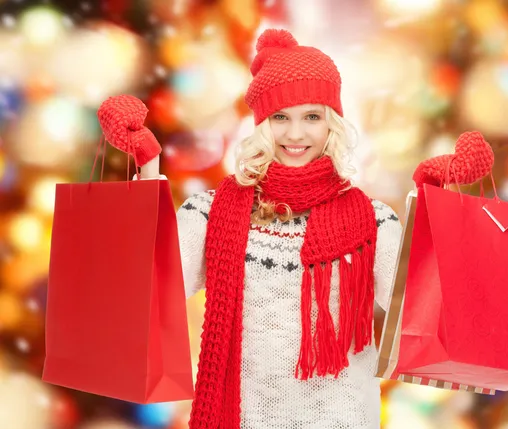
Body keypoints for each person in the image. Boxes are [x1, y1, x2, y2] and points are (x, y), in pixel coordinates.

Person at [98, 29, 403, 429]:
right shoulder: (212, 212)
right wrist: (148, 170)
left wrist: (436, 210)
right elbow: (155, 283)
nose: (296, 135)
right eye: (281, 118)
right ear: (261, 124)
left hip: (341, 417)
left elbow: (413, 305)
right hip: (244, 417)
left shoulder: (373, 220)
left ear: (332, 124)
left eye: (312, 116)